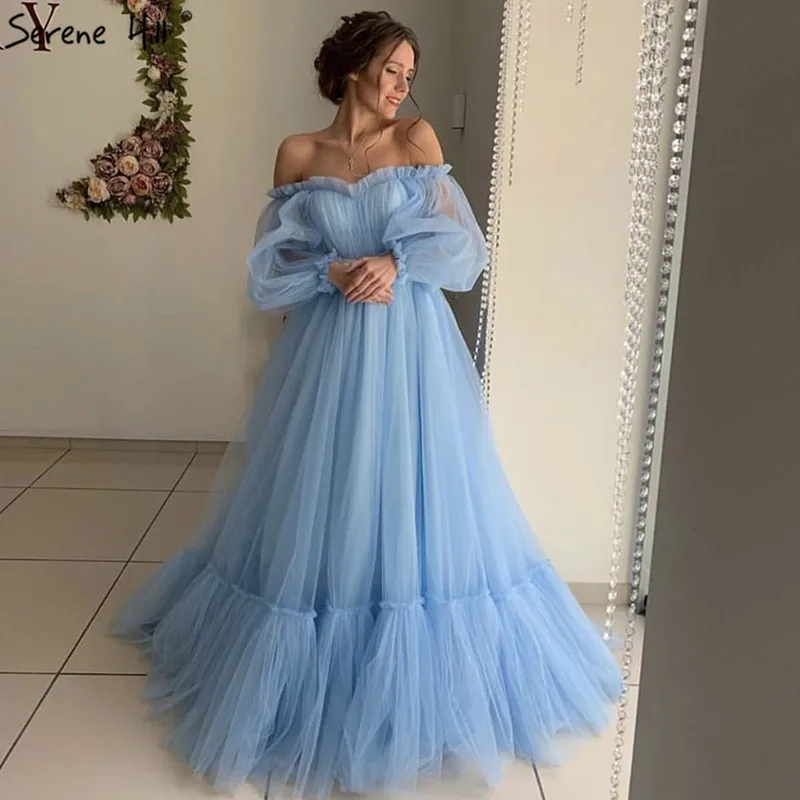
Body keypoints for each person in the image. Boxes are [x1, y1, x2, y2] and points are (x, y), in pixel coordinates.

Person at [112, 10, 622, 799]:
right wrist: (327, 272)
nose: (401, 86)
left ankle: (419, 665)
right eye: (392, 70)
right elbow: (273, 264)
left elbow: (461, 250)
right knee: (326, 492)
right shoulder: (298, 153)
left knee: (414, 487)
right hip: (326, 349)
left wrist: (393, 260)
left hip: (411, 348)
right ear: (354, 67)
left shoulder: (415, 140)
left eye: (409, 75)